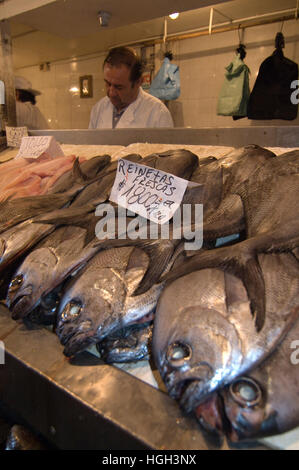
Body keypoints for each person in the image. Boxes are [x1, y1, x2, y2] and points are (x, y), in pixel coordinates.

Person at [89, 46, 174, 129]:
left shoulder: (158, 113)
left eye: (118, 87)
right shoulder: (98, 109)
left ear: (138, 82)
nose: (111, 93)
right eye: (108, 84)